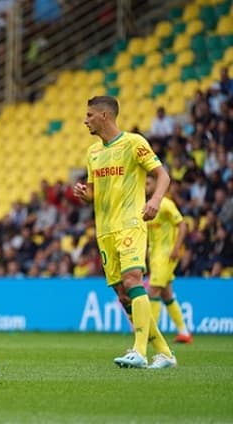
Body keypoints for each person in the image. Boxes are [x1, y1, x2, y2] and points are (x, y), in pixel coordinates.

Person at [73, 96, 177, 369]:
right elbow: (95, 193)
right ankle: (165, 353)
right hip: (105, 230)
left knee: (133, 281)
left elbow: (163, 175)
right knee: (122, 293)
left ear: (105, 116)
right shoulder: (93, 153)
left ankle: (139, 351)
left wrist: (154, 201)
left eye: (89, 115)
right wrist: (85, 194)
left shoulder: (134, 143)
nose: (85, 120)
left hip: (131, 223)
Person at [145, 175, 192, 343]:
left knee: (153, 291)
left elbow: (183, 225)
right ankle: (184, 332)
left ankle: (150, 334)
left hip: (166, 255)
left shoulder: (165, 204)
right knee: (166, 294)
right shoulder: (147, 208)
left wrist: (177, 248)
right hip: (154, 255)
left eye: (149, 183)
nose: (145, 185)